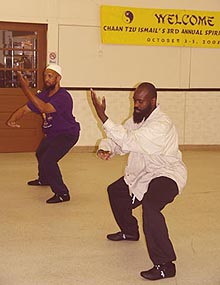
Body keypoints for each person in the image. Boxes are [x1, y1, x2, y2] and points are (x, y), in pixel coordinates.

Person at [90, 82, 187, 281]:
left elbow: (130, 140)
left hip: (167, 174)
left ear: (153, 101)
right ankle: (129, 231)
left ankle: (165, 264)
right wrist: (107, 148)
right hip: (143, 174)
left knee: (151, 207)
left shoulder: (162, 124)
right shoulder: (137, 120)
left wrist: (103, 117)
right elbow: (121, 140)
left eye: (140, 101)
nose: (136, 105)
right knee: (115, 191)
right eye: (135, 100)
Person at [7, 64, 80, 204]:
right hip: (53, 134)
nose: (47, 79)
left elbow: (43, 107)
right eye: (45, 76)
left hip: (68, 134)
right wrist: (13, 119)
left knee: (49, 160)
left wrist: (25, 88)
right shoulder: (44, 95)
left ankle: (62, 193)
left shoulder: (63, 96)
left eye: (50, 76)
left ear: (58, 78)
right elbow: (25, 108)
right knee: (41, 153)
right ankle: (44, 179)